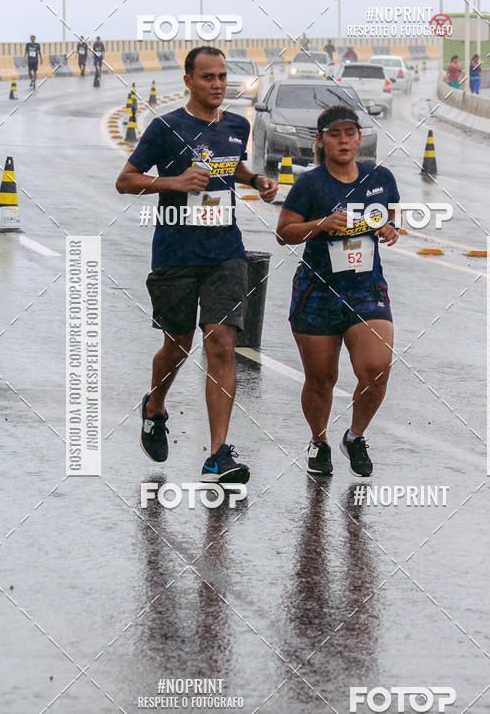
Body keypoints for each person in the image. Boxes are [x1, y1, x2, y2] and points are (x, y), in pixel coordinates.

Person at [115, 46, 278, 483]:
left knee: (221, 344)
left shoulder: (236, 125)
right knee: (179, 345)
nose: (218, 84)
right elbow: (125, 180)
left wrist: (255, 179)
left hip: (226, 252)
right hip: (175, 255)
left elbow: (230, 167)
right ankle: (155, 405)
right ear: (189, 80)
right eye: (208, 77)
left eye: (223, 76)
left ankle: (218, 454)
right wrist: (174, 181)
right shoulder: (166, 127)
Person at [276, 104, 399, 478]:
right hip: (318, 289)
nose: (343, 140)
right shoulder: (310, 184)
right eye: (334, 134)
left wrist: (391, 229)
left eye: (349, 133)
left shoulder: (380, 177)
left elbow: (390, 216)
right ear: (321, 140)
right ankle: (319, 440)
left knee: (376, 368)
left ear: (359, 137)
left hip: (366, 287)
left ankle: (355, 436)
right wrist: (322, 223)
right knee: (321, 379)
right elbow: (284, 233)